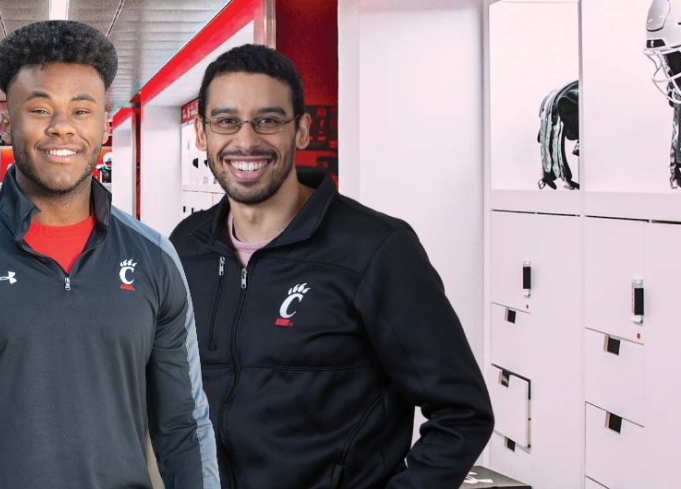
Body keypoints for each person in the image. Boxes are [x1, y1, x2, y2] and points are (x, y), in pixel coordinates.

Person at [0, 20, 219, 489]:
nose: (62, 127)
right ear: (7, 121)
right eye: (40, 109)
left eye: (81, 110)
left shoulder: (155, 259)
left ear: (105, 123)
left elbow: (183, 425)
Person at [168, 44, 494, 489]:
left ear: (301, 131)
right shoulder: (186, 247)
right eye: (226, 121)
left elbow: (462, 412)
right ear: (202, 134)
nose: (245, 141)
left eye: (268, 120)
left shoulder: (375, 250)